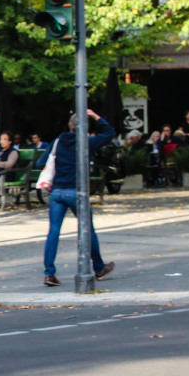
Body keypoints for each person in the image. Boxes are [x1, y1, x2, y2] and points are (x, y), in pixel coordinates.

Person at [42, 109, 116, 287]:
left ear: (70, 125)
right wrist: (97, 117)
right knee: (87, 230)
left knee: (53, 232)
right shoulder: (86, 142)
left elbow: (40, 162)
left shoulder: (58, 141)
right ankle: (98, 268)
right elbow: (110, 133)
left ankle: (49, 273)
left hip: (57, 191)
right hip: (77, 192)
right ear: (85, 127)